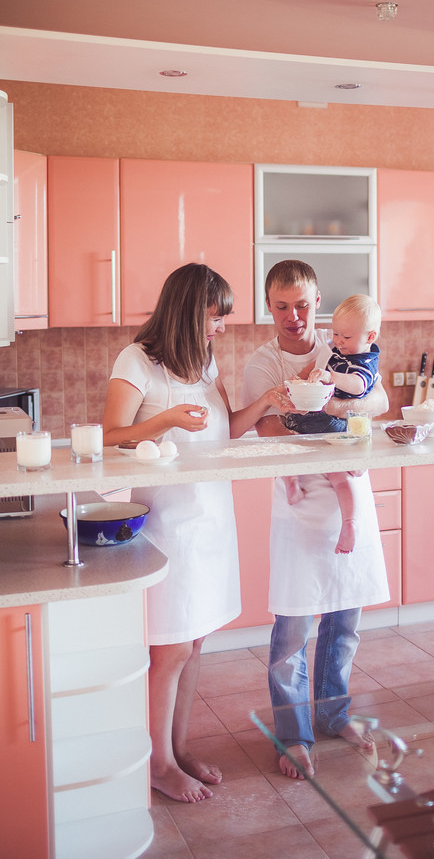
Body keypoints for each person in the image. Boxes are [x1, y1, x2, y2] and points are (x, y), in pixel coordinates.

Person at [102, 263, 291, 804]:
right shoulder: (136, 360)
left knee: (196, 640)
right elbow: (113, 436)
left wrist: (265, 403)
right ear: (189, 312)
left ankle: (178, 749)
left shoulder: (204, 363)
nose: (222, 327)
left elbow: (223, 431)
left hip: (211, 518)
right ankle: (158, 762)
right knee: (170, 649)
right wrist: (163, 422)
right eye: (216, 317)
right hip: (166, 525)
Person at [242, 260, 390, 779]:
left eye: (302, 304)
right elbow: (259, 430)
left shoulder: (339, 347)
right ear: (269, 307)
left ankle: (333, 715)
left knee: (345, 621)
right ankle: (292, 736)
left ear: (318, 300)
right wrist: (303, 410)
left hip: (349, 493)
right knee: (293, 630)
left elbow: (380, 397)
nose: (293, 315)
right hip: (301, 502)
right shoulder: (260, 364)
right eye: (282, 306)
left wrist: (343, 406)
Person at [281, 293, 381, 555]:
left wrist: (330, 377)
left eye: (345, 337)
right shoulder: (336, 349)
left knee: (339, 476)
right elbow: (317, 366)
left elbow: (359, 386)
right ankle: (291, 482)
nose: (338, 341)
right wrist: (302, 378)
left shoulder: (366, 362)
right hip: (325, 423)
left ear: (369, 337)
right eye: (336, 334)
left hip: (342, 428)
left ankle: (349, 523)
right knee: (288, 434)